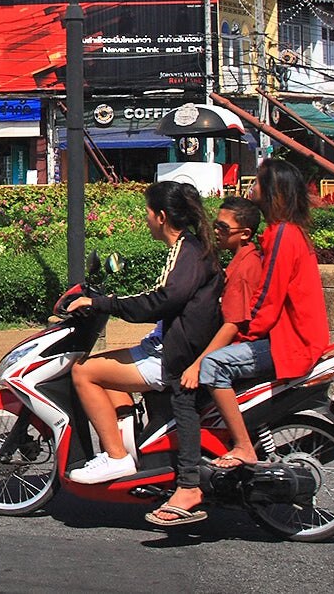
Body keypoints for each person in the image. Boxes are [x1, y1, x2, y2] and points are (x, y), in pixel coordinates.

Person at [64, 180, 223, 491]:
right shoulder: (190, 248)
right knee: (102, 365)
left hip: (174, 355)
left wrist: (102, 303)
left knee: (84, 372)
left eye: (148, 213)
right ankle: (128, 441)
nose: (145, 219)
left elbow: (161, 299)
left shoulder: (186, 252)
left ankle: (116, 456)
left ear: (162, 217)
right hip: (172, 344)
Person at [193, 158, 331, 483]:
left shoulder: (283, 235)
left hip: (289, 342)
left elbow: (268, 299)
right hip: (291, 337)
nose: (252, 188)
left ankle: (243, 446)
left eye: (258, 184)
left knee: (213, 365)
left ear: (273, 192)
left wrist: (244, 336)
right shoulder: (286, 233)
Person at [146, 195, 266, 527]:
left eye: (224, 228)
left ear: (245, 233)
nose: (216, 231)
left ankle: (188, 484)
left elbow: (233, 324)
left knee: (183, 394)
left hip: (239, 348)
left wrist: (199, 363)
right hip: (228, 345)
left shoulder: (244, 266)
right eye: (215, 224)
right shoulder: (237, 259)